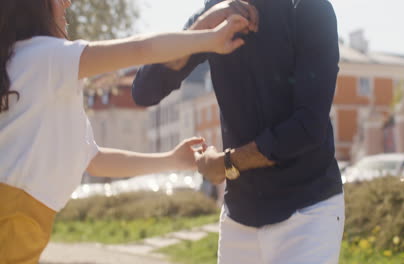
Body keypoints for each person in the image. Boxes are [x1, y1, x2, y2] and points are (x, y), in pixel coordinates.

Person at [0, 0, 255, 263]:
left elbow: (95, 161)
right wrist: (208, 38)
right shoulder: (47, 58)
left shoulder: (28, 67)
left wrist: (172, 160)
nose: (68, 2)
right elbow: (141, 49)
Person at [133, 0, 345, 263]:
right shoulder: (216, 13)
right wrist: (203, 27)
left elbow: (307, 127)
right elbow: (144, 90)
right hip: (240, 218)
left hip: (308, 211)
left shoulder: (309, 8)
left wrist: (226, 163)